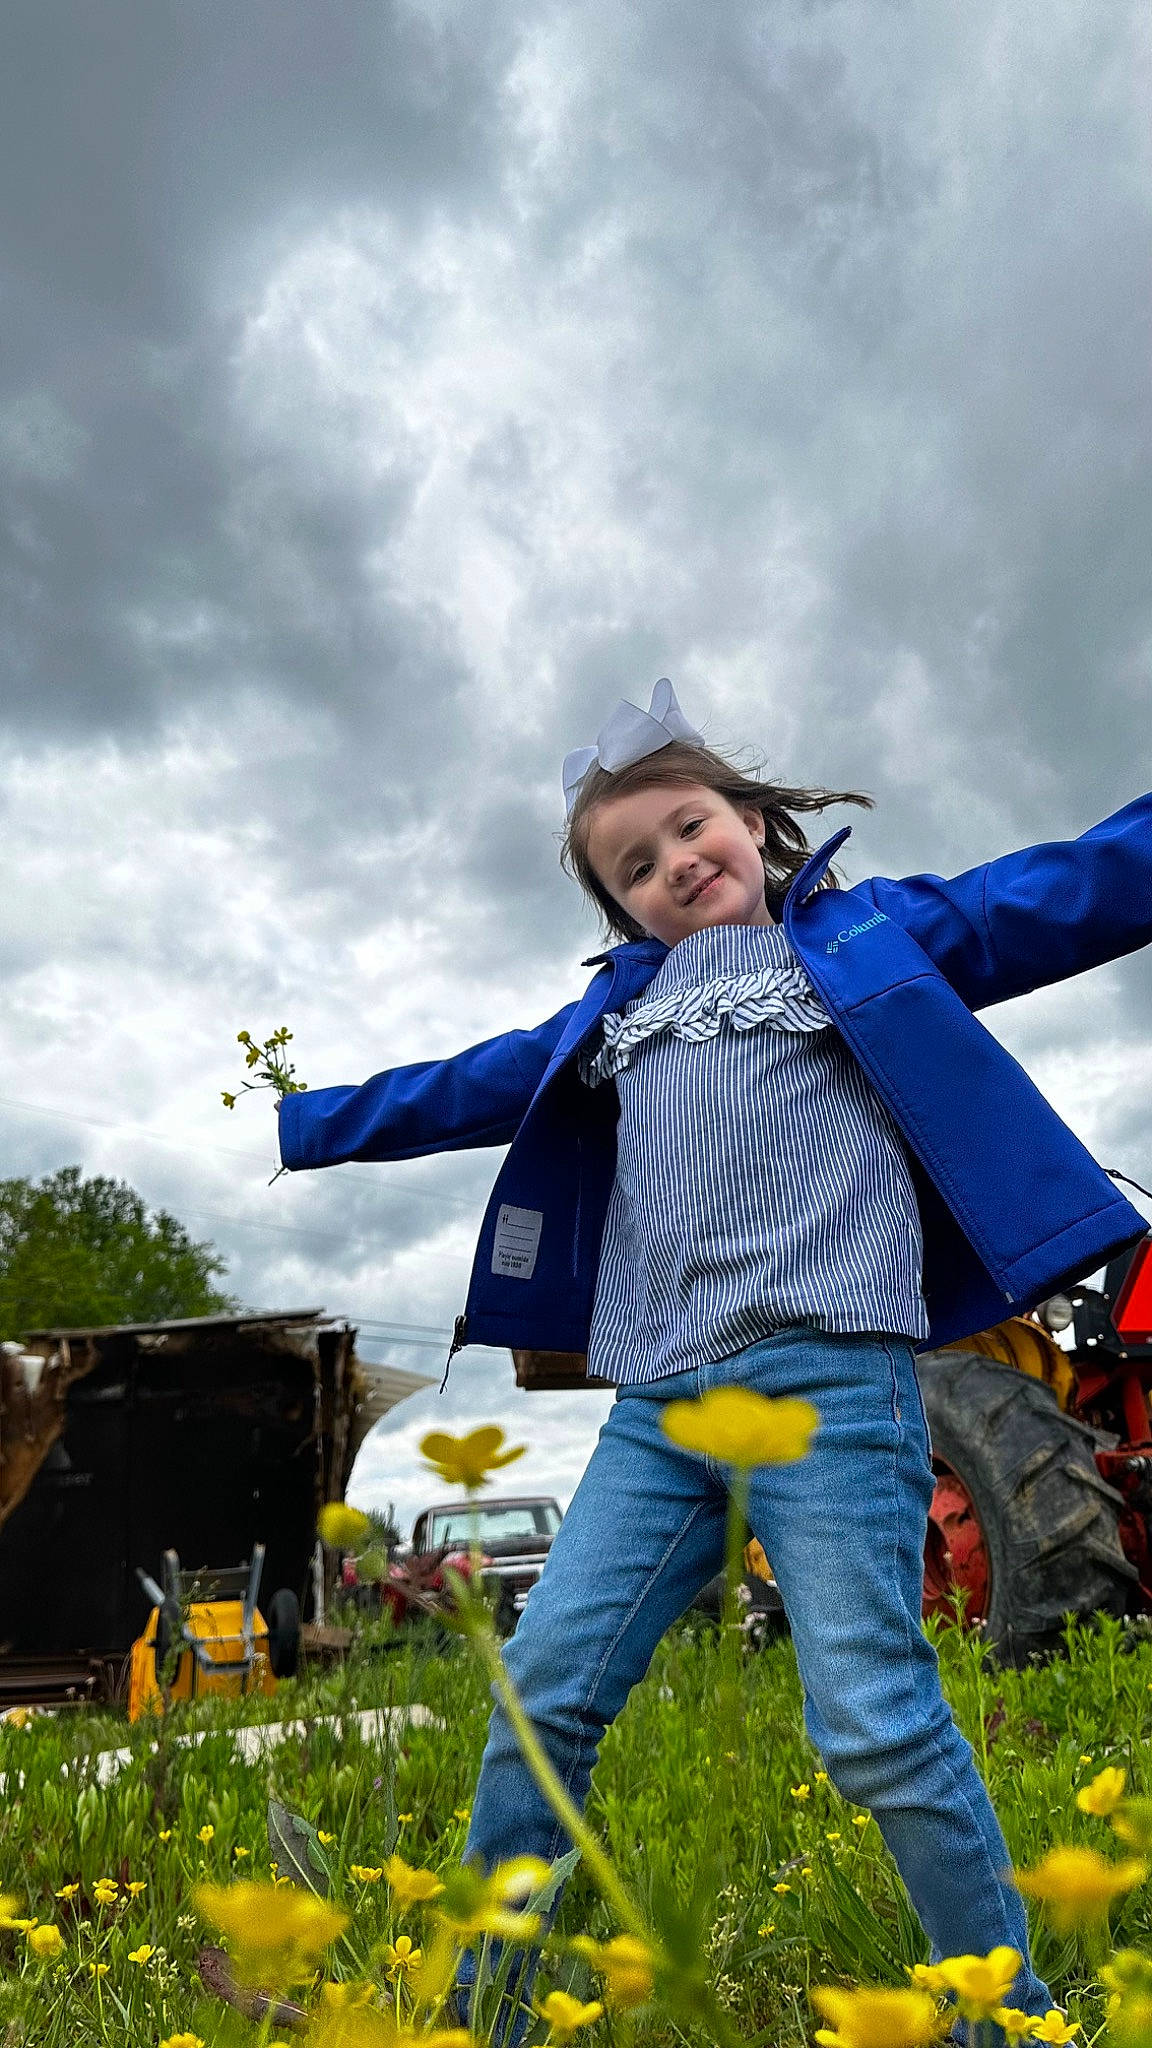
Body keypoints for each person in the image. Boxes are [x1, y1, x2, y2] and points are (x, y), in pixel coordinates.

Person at [278, 680, 1152, 2037]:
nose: (676, 865)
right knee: (540, 1700)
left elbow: (1058, 888)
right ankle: (484, 2013)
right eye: (636, 868)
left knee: (867, 1720)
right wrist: (313, 1120)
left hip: (829, 1387)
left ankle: (1005, 2018)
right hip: (661, 1406)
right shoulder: (613, 1022)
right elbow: (454, 1086)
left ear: (749, 819)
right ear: (621, 910)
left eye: (689, 829)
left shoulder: (868, 942)